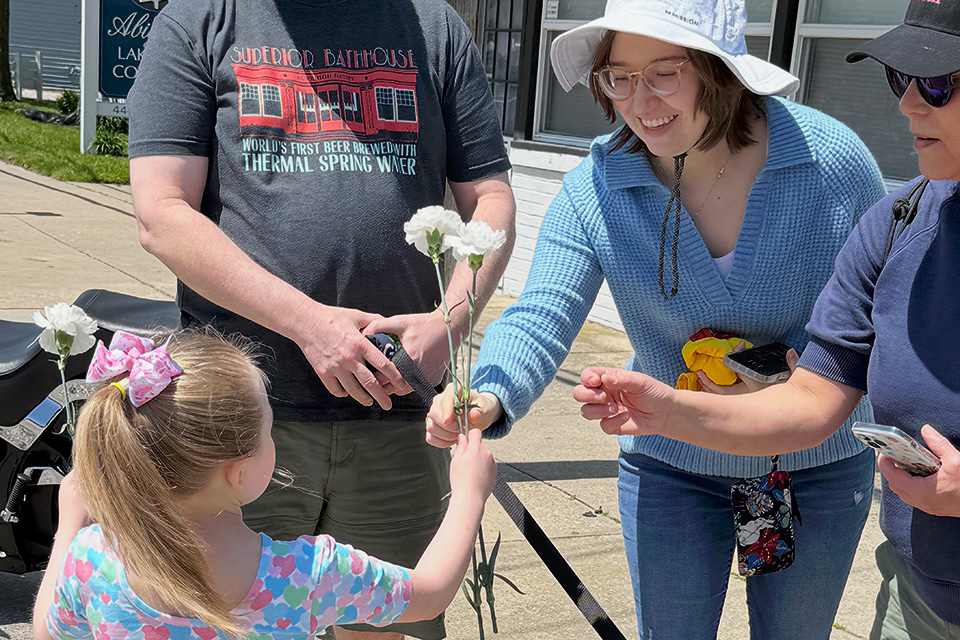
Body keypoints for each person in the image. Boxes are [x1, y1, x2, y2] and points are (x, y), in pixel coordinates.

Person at [425, 0, 888, 638]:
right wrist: (490, 392)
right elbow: (541, 312)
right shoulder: (598, 187)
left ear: (718, 69)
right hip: (673, 464)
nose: (640, 102)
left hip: (813, 467)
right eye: (620, 77)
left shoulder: (829, 164)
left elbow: (875, 314)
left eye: (665, 72)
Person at [124, 1, 516, 639]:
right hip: (240, 422)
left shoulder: (434, 27)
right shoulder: (199, 20)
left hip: (396, 416)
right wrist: (309, 324)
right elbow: (161, 213)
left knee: (395, 623)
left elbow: (490, 195)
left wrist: (451, 320)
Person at [574, 1, 960, 637]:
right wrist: (666, 411)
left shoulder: (833, 162)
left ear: (717, 72)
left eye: (939, 82)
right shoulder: (897, 224)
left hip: (820, 484)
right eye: (901, 79)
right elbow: (816, 395)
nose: (908, 105)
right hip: (919, 595)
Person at [31, 330, 496, 640]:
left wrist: (69, 526)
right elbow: (429, 593)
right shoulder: (306, 575)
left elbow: (47, 632)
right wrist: (469, 495)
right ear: (238, 471)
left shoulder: (92, 558)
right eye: (268, 431)